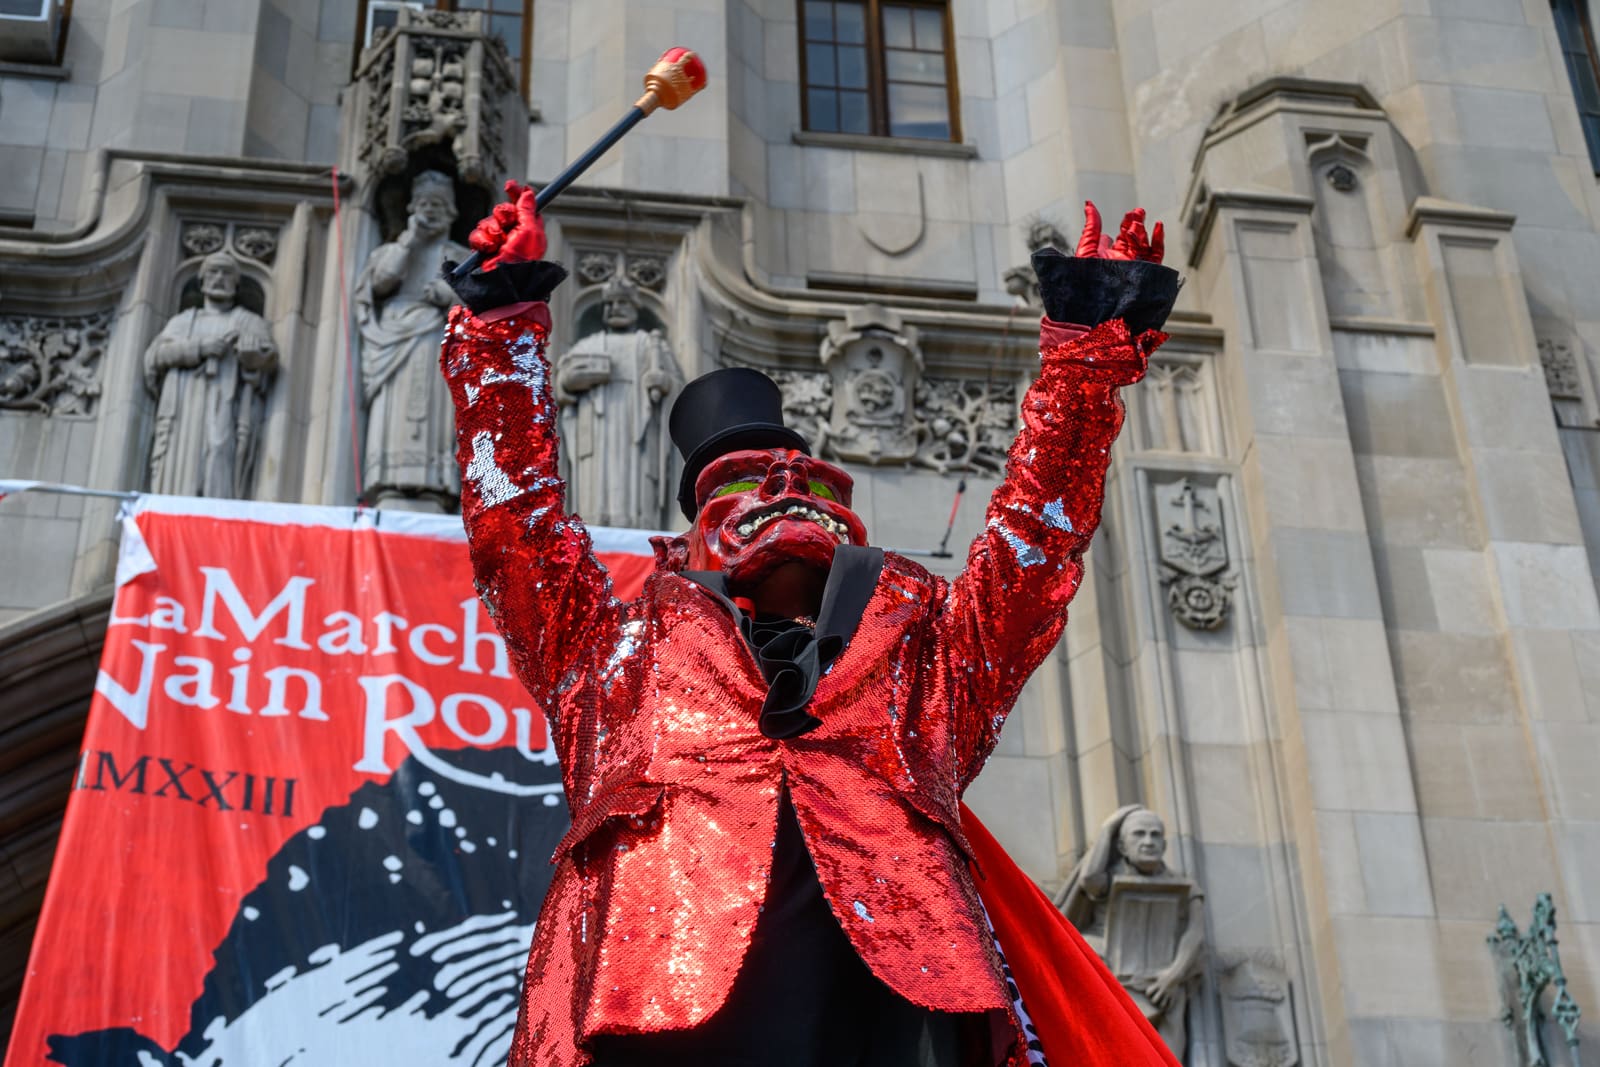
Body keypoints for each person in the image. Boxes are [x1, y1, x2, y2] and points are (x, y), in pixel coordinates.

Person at [437, 183, 1183, 1067]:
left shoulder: (931, 646)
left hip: (892, 1007)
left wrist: (1086, 361)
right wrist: (499, 330)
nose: (790, 490)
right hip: (654, 1008)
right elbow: (514, 528)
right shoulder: (611, 648)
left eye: (817, 482)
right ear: (700, 531)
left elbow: (1035, 543)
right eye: (752, 480)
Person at [144, 250, 277, 497]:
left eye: (226, 274)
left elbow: (268, 359)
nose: (219, 278)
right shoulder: (183, 321)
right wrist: (199, 348)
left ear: (236, 284)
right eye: (213, 272)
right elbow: (155, 357)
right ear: (202, 281)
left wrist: (249, 354)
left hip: (226, 404)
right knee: (182, 459)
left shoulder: (248, 321)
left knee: (218, 447)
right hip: (184, 406)